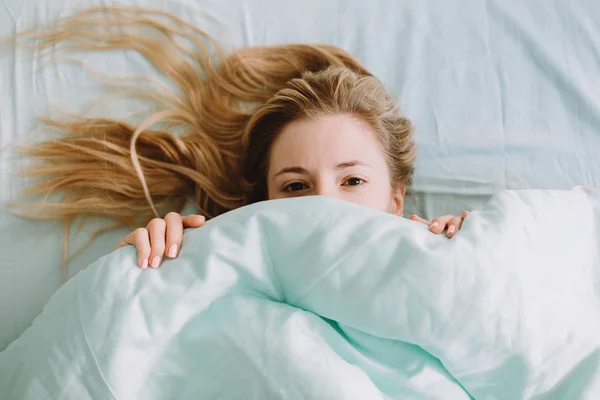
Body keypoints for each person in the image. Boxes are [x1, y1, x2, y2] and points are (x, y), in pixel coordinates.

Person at [11, 6, 467, 270]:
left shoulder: (451, 261)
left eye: (352, 181)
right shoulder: (216, 266)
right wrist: (144, 268)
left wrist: (474, 256)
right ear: (262, 205)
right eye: (294, 186)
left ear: (395, 200)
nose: (322, 204)